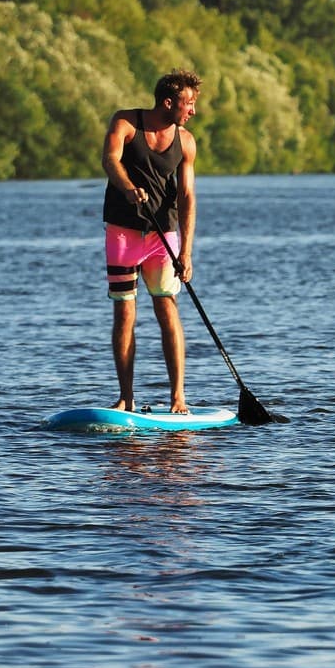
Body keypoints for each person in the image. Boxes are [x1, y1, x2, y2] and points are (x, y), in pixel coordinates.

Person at [101, 69, 201, 414]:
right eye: (188, 104)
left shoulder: (185, 141)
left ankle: (178, 398)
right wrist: (128, 189)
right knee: (124, 313)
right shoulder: (127, 123)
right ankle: (126, 398)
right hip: (123, 232)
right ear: (168, 102)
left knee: (166, 308)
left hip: (164, 237)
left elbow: (187, 196)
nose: (193, 111)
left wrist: (186, 251)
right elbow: (110, 159)